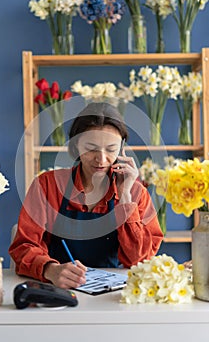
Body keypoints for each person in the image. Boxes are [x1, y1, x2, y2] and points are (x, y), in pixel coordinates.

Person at [9, 102, 163, 289]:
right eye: (91, 148)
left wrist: (124, 198)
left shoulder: (136, 193)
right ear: (76, 145)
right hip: (55, 290)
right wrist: (50, 270)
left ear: (122, 148)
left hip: (109, 296)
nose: (101, 159)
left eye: (111, 149)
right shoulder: (46, 185)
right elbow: (23, 246)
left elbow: (138, 260)